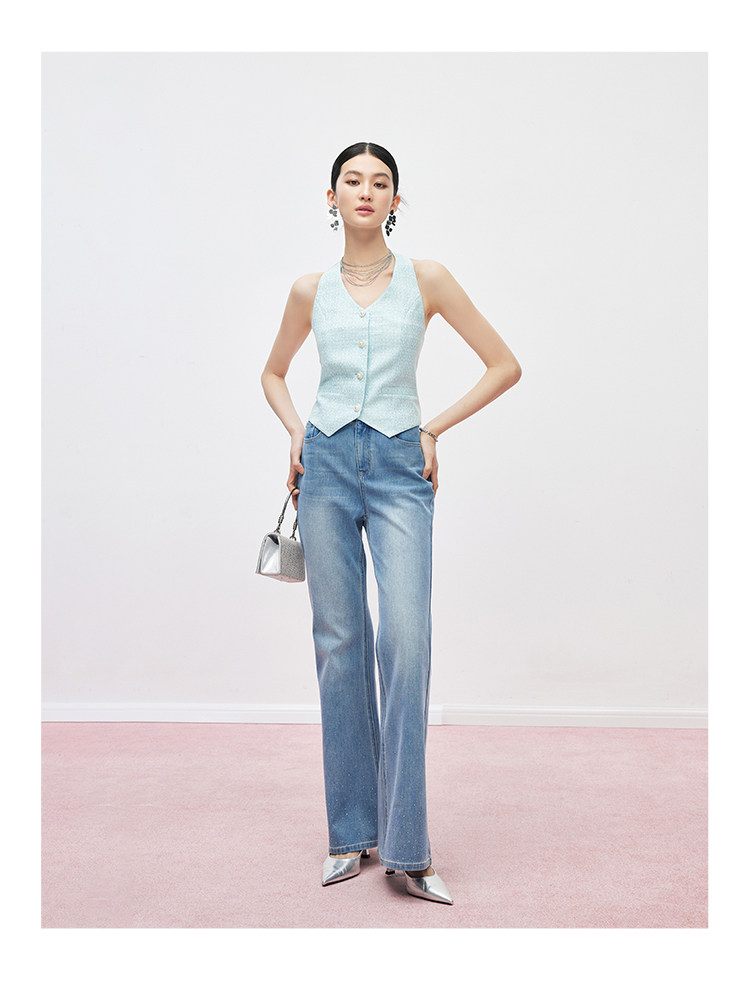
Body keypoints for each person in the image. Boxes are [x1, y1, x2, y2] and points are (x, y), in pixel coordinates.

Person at [260, 142, 522, 905]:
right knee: (340, 645)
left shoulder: (426, 279)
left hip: (402, 464)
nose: (366, 191)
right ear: (332, 197)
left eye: (381, 183)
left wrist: (433, 429)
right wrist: (295, 432)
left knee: (405, 639)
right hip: (326, 466)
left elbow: (504, 364)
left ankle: (408, 845)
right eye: (353, 180)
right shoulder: (309, 290)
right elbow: (273, 372)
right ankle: (351, 832)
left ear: (396, 201)